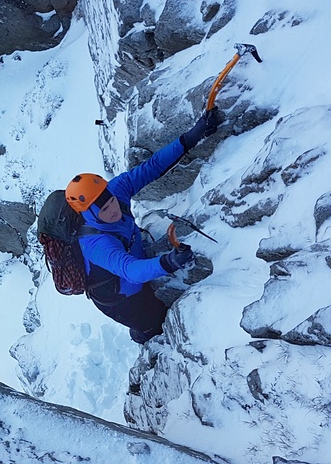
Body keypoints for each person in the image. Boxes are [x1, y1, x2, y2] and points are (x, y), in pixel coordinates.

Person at [65, 108, 225, 343]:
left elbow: (151, 167)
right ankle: (142, 335)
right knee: (155, 323)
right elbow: (131, 270)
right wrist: (169, 262)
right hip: (121, 299)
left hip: (134, 268)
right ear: (89, 214)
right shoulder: (95, 243)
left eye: (111, 201)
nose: (114, 209)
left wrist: (191, 137)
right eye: (105, 210)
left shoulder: (116, 191)